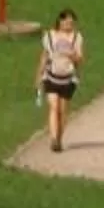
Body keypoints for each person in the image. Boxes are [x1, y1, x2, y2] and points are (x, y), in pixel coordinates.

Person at [36, 8, 83, 151]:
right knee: (53, 107)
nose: (69, 24)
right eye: (66, 21)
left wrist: (71, 55)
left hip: (67, 78)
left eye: (71, 22)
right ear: (60, 21)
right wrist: (38, 75)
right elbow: (44, 56)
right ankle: (53, 138)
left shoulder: (76, 38)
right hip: (51, 76)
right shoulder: (50, 36)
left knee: (63, 111)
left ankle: (59, 138)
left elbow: (80, 59)